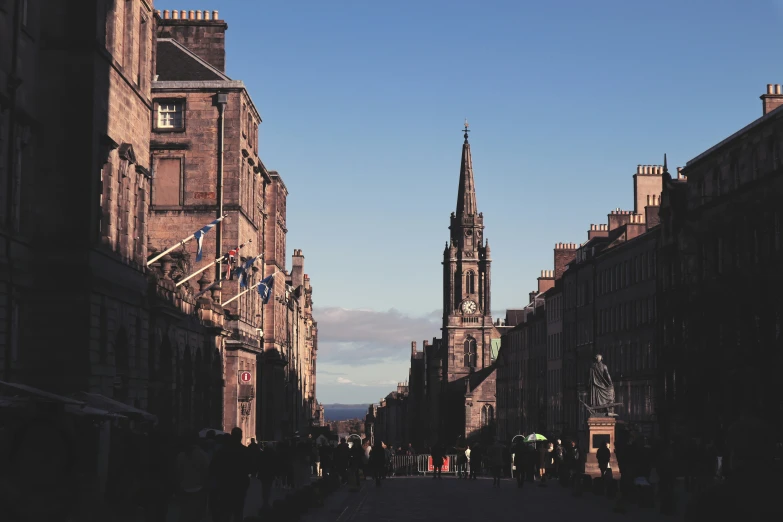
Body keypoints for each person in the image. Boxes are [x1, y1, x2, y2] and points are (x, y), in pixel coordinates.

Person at [209, 428, 251, 522]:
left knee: (226, 512)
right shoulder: (245, 451)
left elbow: (213, 468)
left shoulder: (222, 451)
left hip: (225, 486)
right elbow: (250, 468)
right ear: (241, 437)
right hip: (240, 486)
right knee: (238, 513)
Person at [175, 432, 210, 522]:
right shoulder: (202, 454)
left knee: (185, 514)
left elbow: (178, 472)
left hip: (184, 489)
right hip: (199, 489)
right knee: (197, 515)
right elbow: (207, 471)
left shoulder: (181, 455)